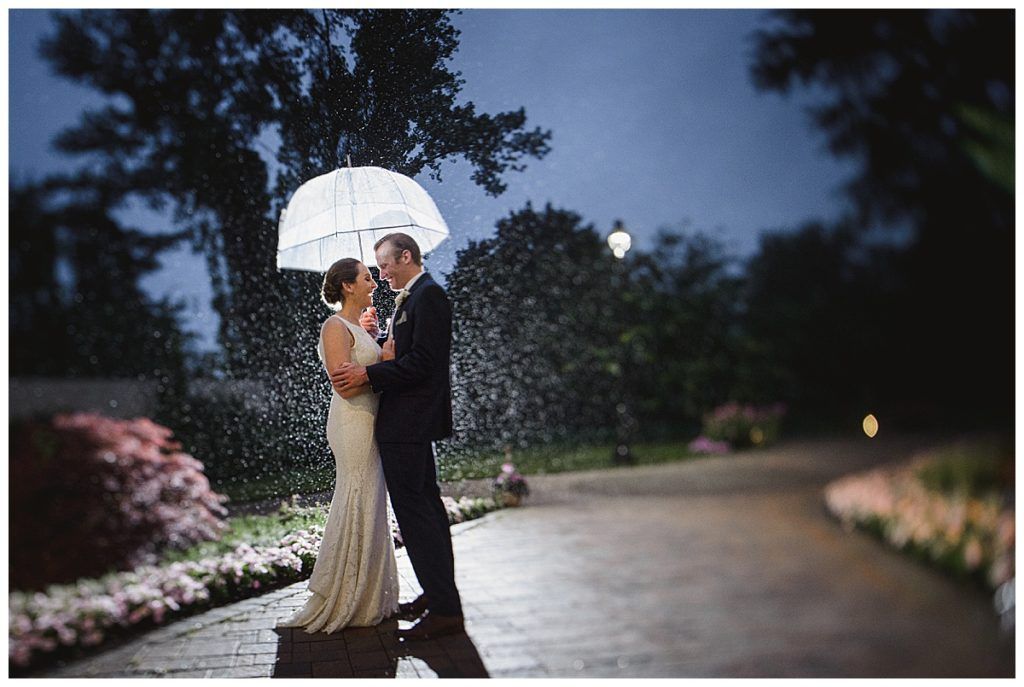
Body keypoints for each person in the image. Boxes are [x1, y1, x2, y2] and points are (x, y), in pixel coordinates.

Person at [331, 232, 464, 641]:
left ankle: (445, 610)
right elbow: (403, 355)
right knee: (425, 512)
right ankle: (437, 595)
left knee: (418, 515)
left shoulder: (428, 296)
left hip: (409, 423)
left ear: (406, 257)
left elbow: (423, 363)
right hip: (407, 424)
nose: (382, 273)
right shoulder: (411, 299)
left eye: (386, 264)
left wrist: (368, 372)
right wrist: (376, 339)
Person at [277, 258, 400, 633]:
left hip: (371, 420)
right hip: (352, 423)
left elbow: (363, 370)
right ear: (348, 286)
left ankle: (368, 593)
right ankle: (344, 593)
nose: (374, 283)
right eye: (367, 278)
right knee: (357, 494)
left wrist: (375, 343)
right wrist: (386, 362)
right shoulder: (334, 326)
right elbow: (343, 383)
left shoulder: (358, 327)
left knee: (373, 499)